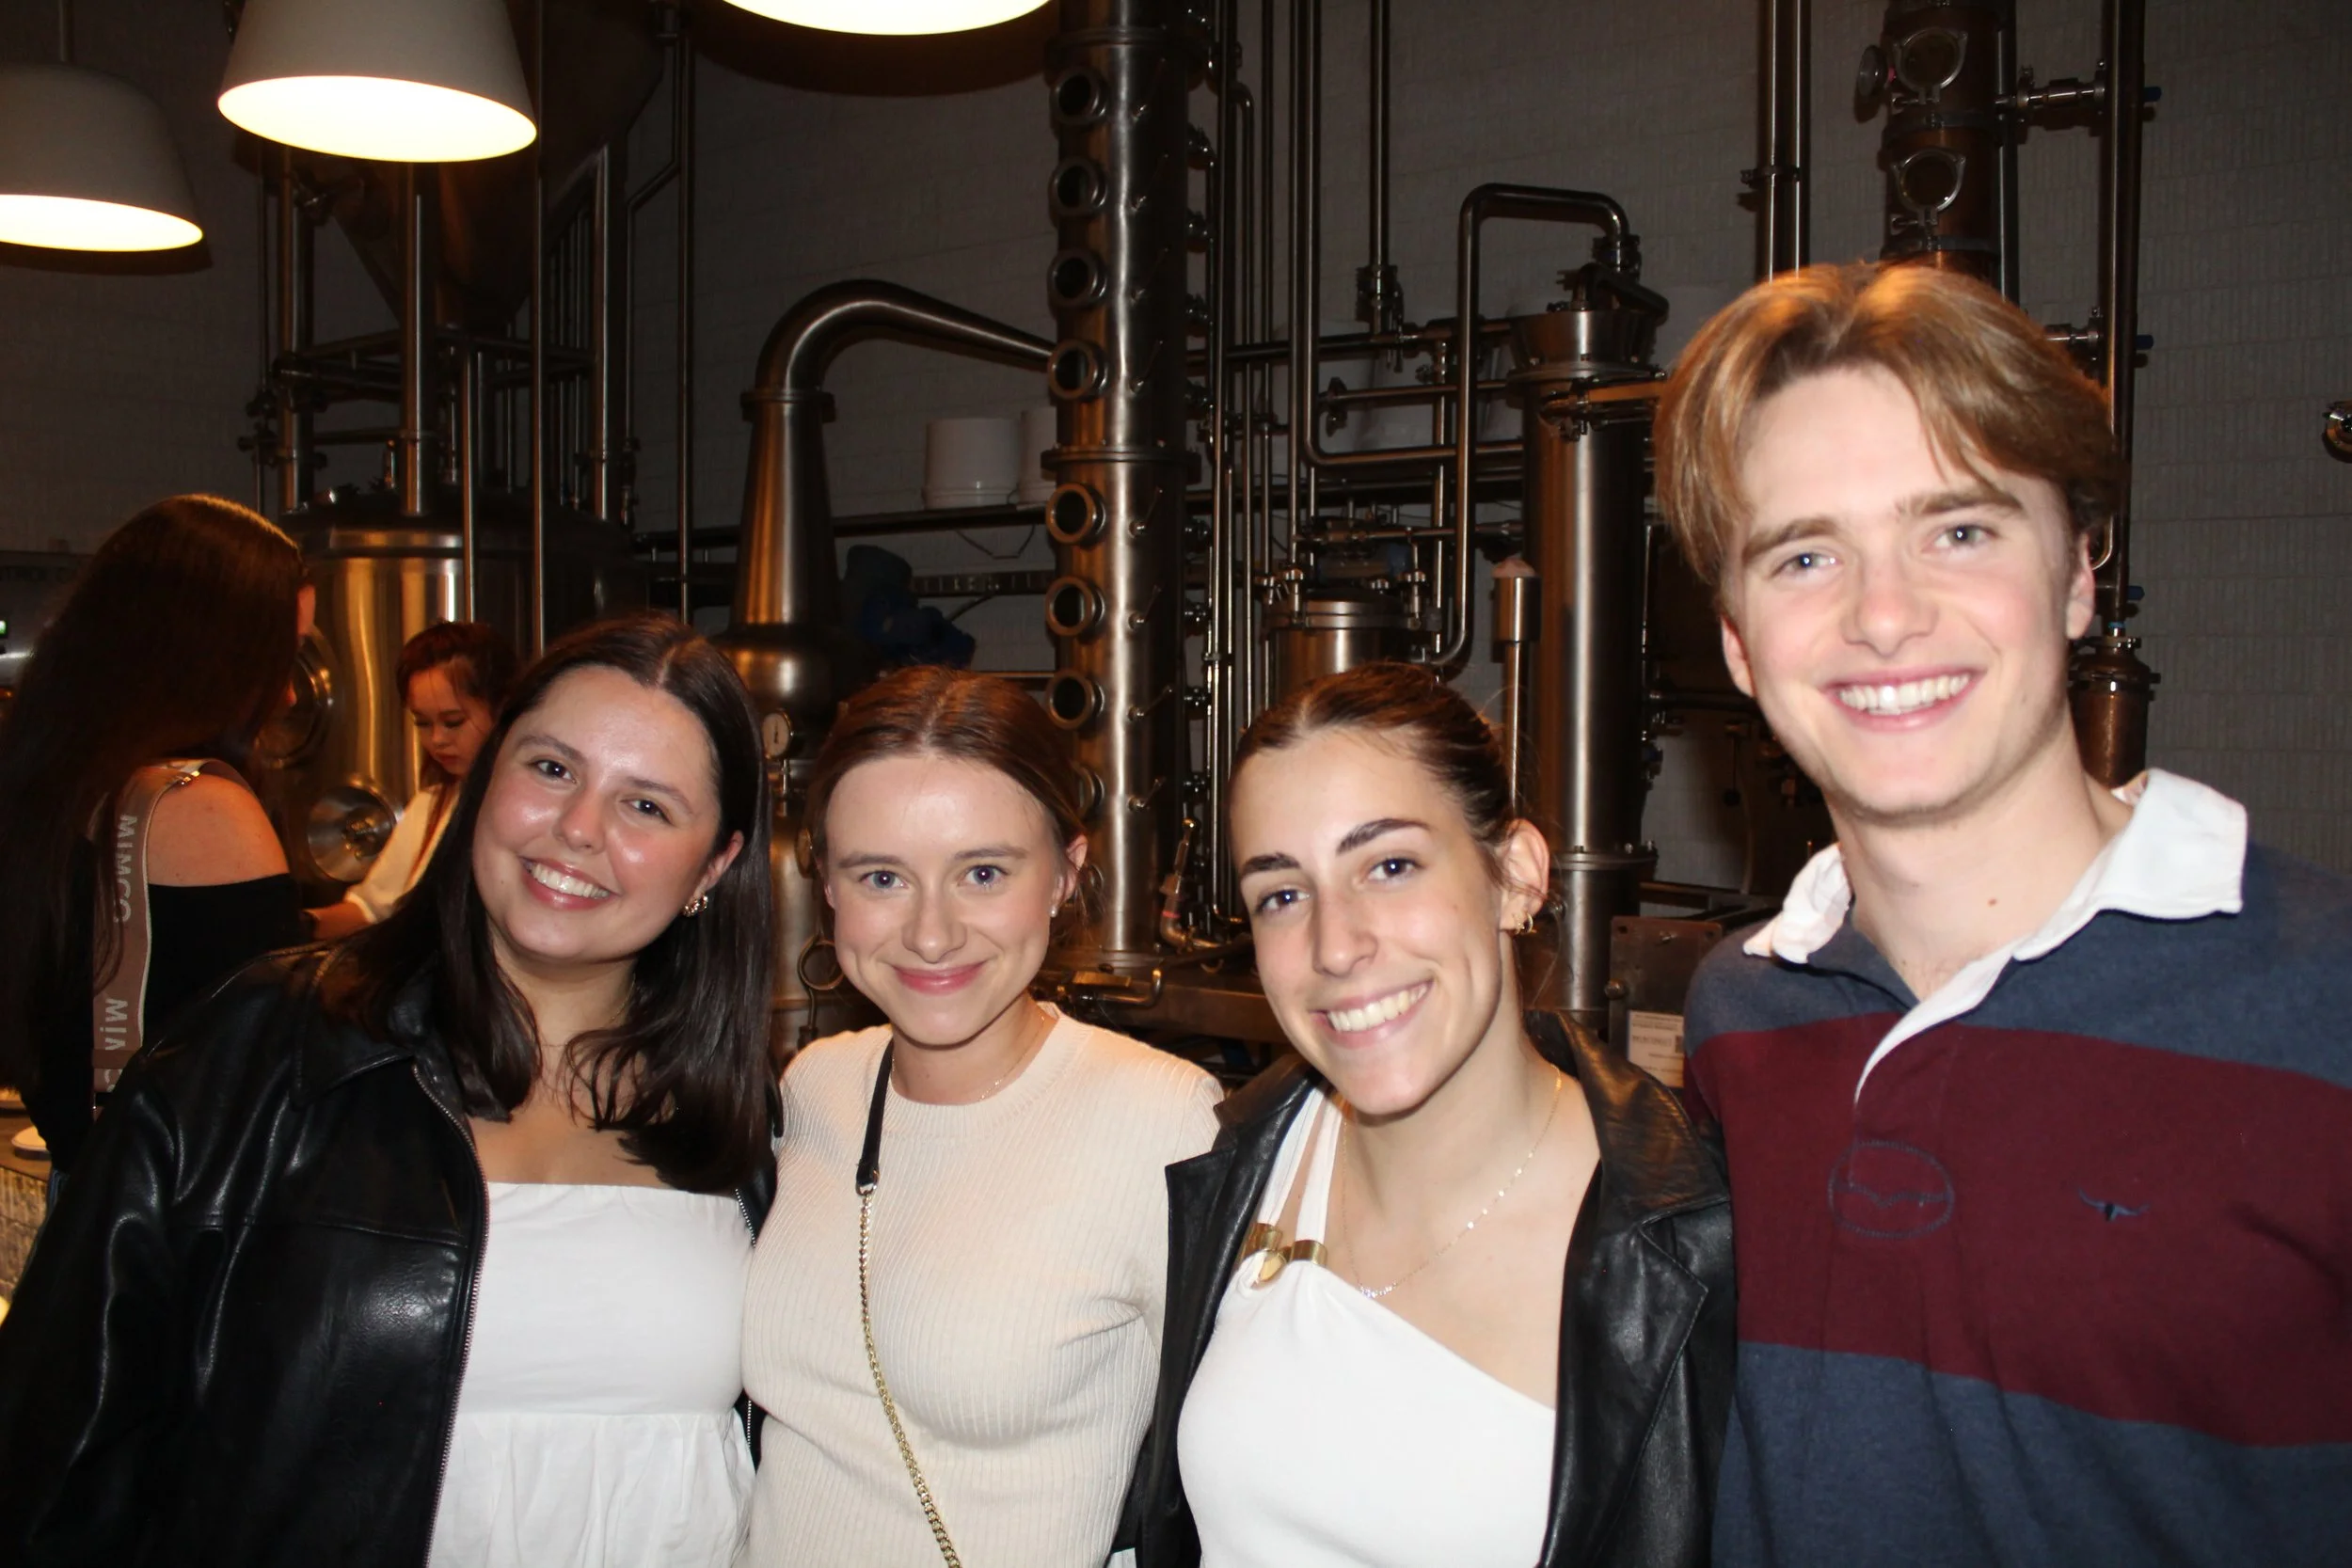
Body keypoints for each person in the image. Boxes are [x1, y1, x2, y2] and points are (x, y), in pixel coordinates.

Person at [1653, 261, 2352, 1566]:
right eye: (1807, 553)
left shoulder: (2327, 1005)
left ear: (2081, 573)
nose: (1884, 613)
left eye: (1959, 529)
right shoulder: (1741, 1015)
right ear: (1741, 644)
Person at [0, 612, 779, 1568]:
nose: (579, 828)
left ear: (715, 865)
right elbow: (59, 1437)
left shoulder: (750, 1127)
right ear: (486, 777)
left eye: (647, 805)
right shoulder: (266, 1049)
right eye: (551, 768)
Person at [1129, 663, 1734, 1568]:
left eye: (1391, 864)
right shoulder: (1245, 1157)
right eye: (1282, 894)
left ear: (1516, 876)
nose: (1336, 946)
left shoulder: (1691, 1240)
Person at [739, 665, 1221, 1568]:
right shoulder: (818, 1086)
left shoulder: (1162, 1119)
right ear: (827, 885)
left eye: (984, 872)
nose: (931, 933)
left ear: (1065, 874)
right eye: (882, 875)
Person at [0, 494, 309, 1180]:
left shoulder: (61, 784)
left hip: (91, 1204)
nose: (287, 694)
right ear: (213, 657)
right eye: (280, 656)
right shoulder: (197, 807)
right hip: (181, 1244)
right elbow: (282, 1063)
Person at [311, 620, 519, 940]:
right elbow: (371, 911)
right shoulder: (432, 805)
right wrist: (298, 924)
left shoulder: (527, 811)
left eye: (453, 722)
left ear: (502, 709)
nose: (436, 739)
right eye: (422, 723)